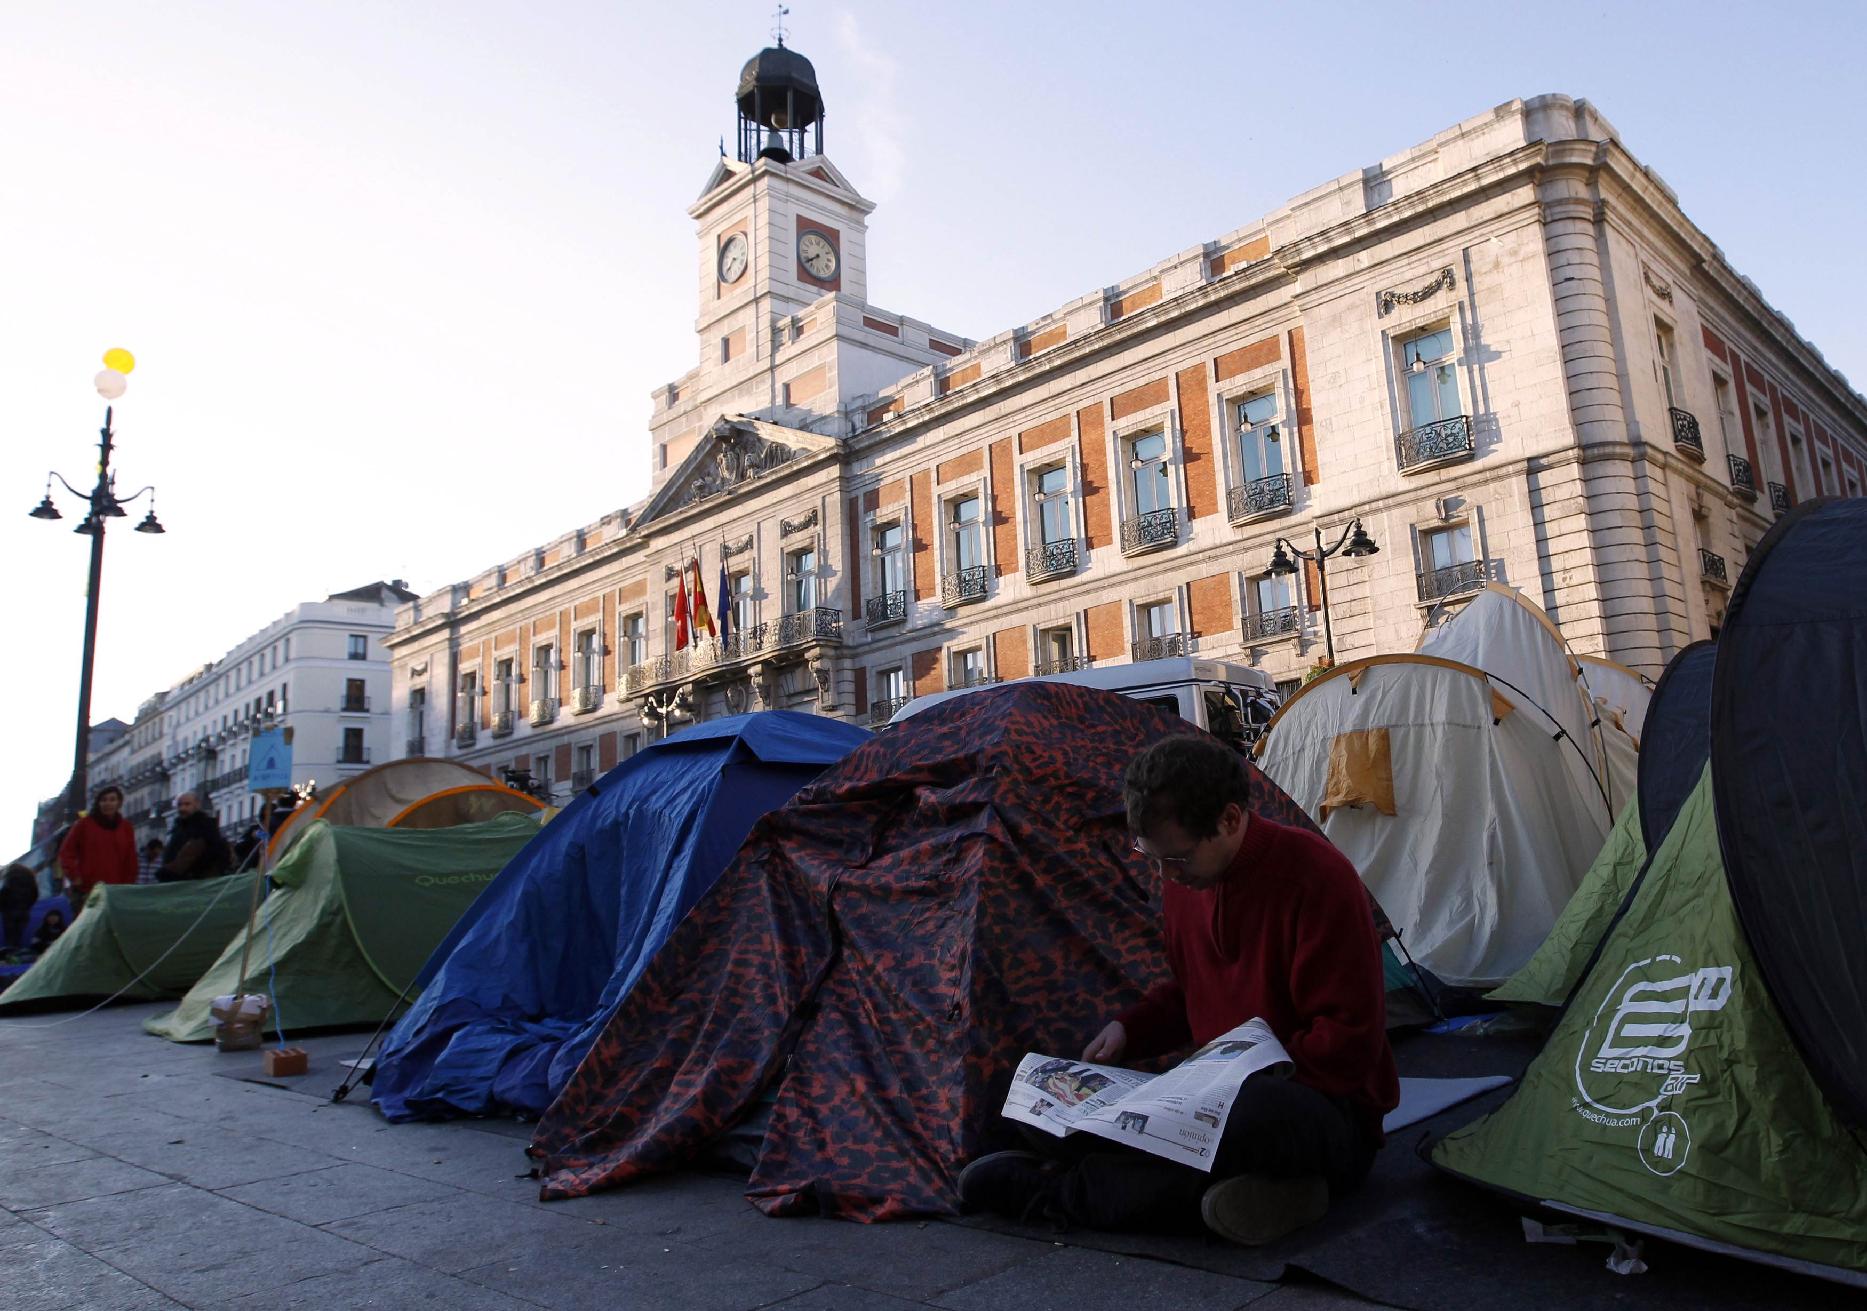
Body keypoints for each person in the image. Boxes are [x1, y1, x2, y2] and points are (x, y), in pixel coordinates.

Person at [958, 734, 1399, 1246]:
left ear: (1230, 820)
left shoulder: (1318, 878)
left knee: (1245, 1118)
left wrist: (1220, 1089)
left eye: (1179, 859)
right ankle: (1259, 1192)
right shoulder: (1184, 879)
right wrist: (1130, 1030)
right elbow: (1193, 989)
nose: (1167, 875)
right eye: (1153, 857)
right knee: (1044, 1087)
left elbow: (1349, 1042)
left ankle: (1061, 1190)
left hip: (1321, 1109)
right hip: (1211, 1095)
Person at [56, 785, 140, 912]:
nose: (108, 803)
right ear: (98, 803)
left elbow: (130, 859)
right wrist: (75, 876)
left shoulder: (126, 828)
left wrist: (127, 885)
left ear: (119, 803)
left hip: (114, 891)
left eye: (112, 799)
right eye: (104, 800)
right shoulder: (84, 825)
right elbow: (66, 852)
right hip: (87, 889)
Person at [156, 793, 230, 882]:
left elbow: (191, 855)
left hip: (195, 880)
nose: (182, 808)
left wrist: (165, 872)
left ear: (197, 805)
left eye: (187, 804)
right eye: (180, 805)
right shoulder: (178, 828)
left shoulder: (204, 827)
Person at [2, 863, 38, 950]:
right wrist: (28, 906)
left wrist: (2, 907)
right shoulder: (30, 878)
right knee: (19, 933)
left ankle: (11, 953)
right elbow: (35, 894)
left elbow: (4, 892)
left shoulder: (10, 877)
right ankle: (16, 951)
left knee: (10, 935)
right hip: (24, 910)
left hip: (10, 910)